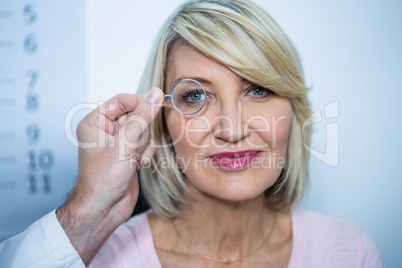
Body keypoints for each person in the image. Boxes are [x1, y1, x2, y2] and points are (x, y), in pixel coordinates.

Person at [0, 0, 384, 267]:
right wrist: (85, 212)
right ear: (160, 121)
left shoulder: (351, 253)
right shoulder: (93, 257)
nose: (232, 129)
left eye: (259, 89)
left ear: (294, 113)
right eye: (196, 95)